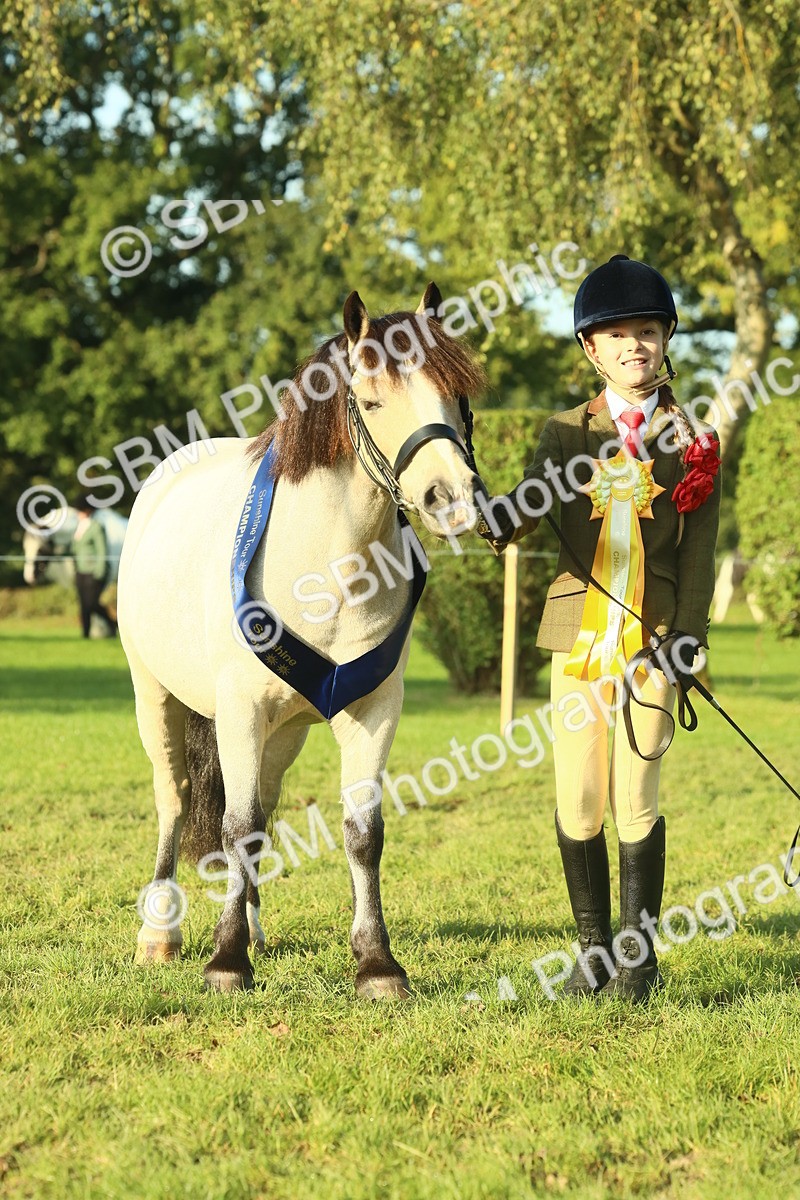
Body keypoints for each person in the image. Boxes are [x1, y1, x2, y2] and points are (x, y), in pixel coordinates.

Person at [478, 254, 721, 1000]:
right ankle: (592, 951)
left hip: (653, 641)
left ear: (665, 337)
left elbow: (702, 552)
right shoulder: (561, 434)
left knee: (635, 795)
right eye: (617, 336)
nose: (633, 346)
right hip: (580, 637)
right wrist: (483, 512)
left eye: (646, 332)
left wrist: (687, 636)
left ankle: (638, 959)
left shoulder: (693, 441)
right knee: (579, 796)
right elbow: (523, 509)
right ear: (592, 348)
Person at [71, 497, 116, 638]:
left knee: (92, 603)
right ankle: (85, 633)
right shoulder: (78, 528)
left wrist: (100, 571)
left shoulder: (96, 526)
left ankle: (112, 623)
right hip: (81, 571)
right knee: (84, 604)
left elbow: (102, 550)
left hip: (93, 571)